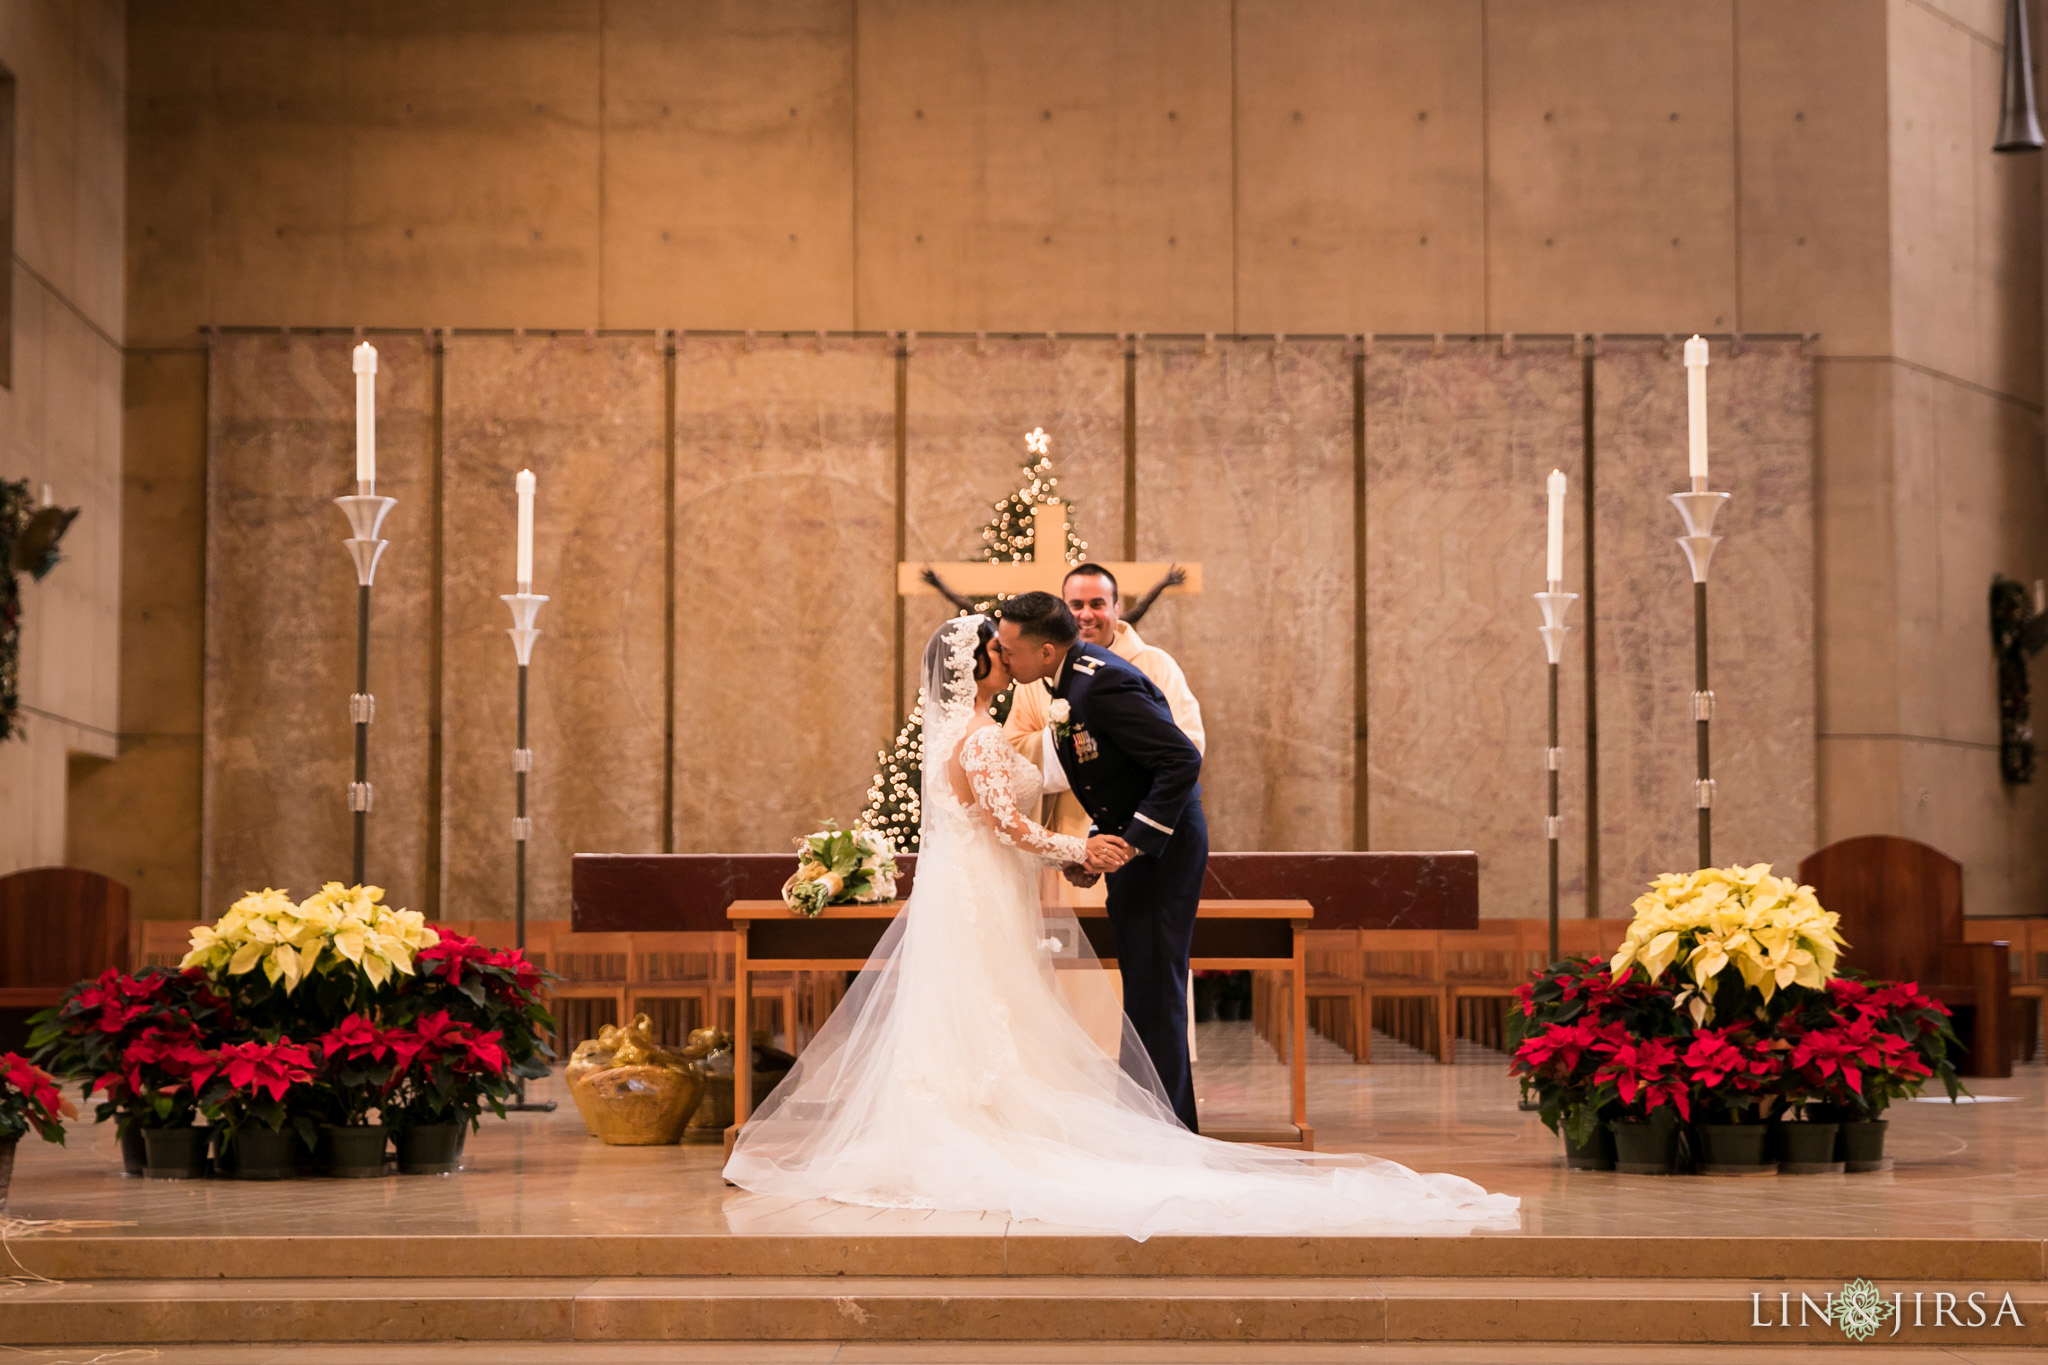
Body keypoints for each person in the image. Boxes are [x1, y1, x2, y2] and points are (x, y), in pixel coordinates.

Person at [722, 613, 1518, 1239]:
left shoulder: (954, 738)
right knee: (994, 1014)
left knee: (983, 1016)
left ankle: (994, 1116)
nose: (1007, 659)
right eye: (996, 653)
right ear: (982, 669)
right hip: (989, 894)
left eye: (1007, 648)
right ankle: (1001, 1126)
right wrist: (1086, 845)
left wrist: (1100, 840)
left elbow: (1032, 803)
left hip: (979, 899)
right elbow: (1011, 827)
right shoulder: (980, 738)